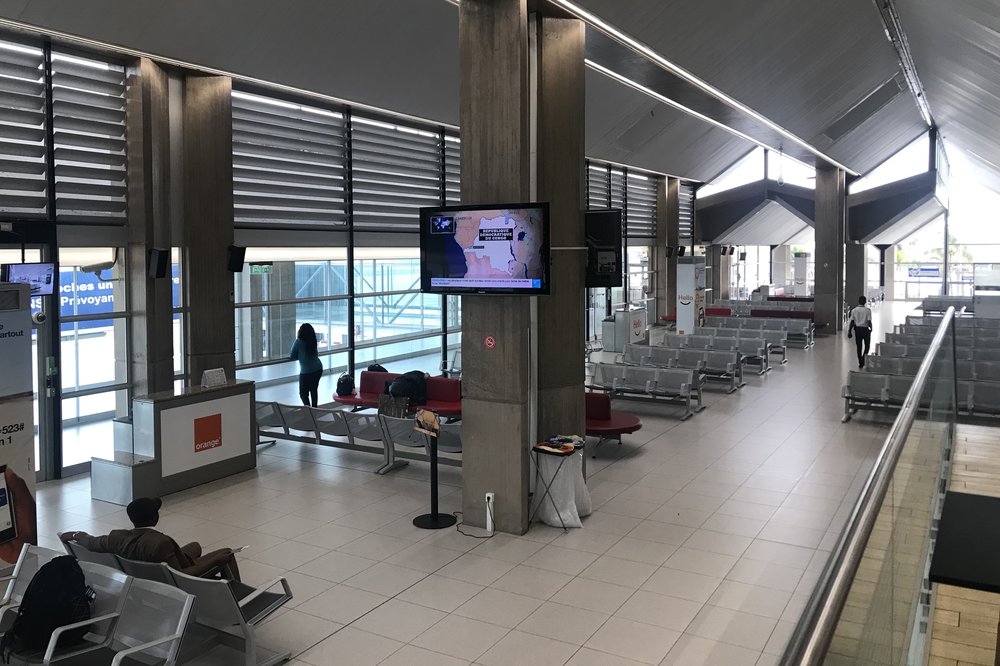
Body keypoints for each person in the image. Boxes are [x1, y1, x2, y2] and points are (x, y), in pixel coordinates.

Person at [59, 497, 240, 581]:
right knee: (227, 553)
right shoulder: (160, 543)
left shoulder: (117, 537)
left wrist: (75, 535)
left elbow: (91, 542)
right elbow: (181, 577)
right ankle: (238, 598)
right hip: (174, 580)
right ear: (154, 519)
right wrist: (215, 560)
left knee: (195, 546)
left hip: (146, 570)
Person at [290, 323, 323, 407]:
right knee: (313, 390)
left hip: (306, 371)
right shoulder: (313, 341)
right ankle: (315, 409)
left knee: (303, 393)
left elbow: (292, 356)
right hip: (318, 368)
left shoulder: (298, 342)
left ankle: (308, 410)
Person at [848, 295, 873, 369]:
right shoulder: (867, 310)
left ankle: (860, 362)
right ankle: (863, 358)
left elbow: (852, 322)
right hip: (865, 330)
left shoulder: (854, 310)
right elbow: (869, 321)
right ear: (865, 302)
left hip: (858, 330)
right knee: (867, 345)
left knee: (859, 347)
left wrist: (849, 331)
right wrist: (871, 328)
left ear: (858, 301)